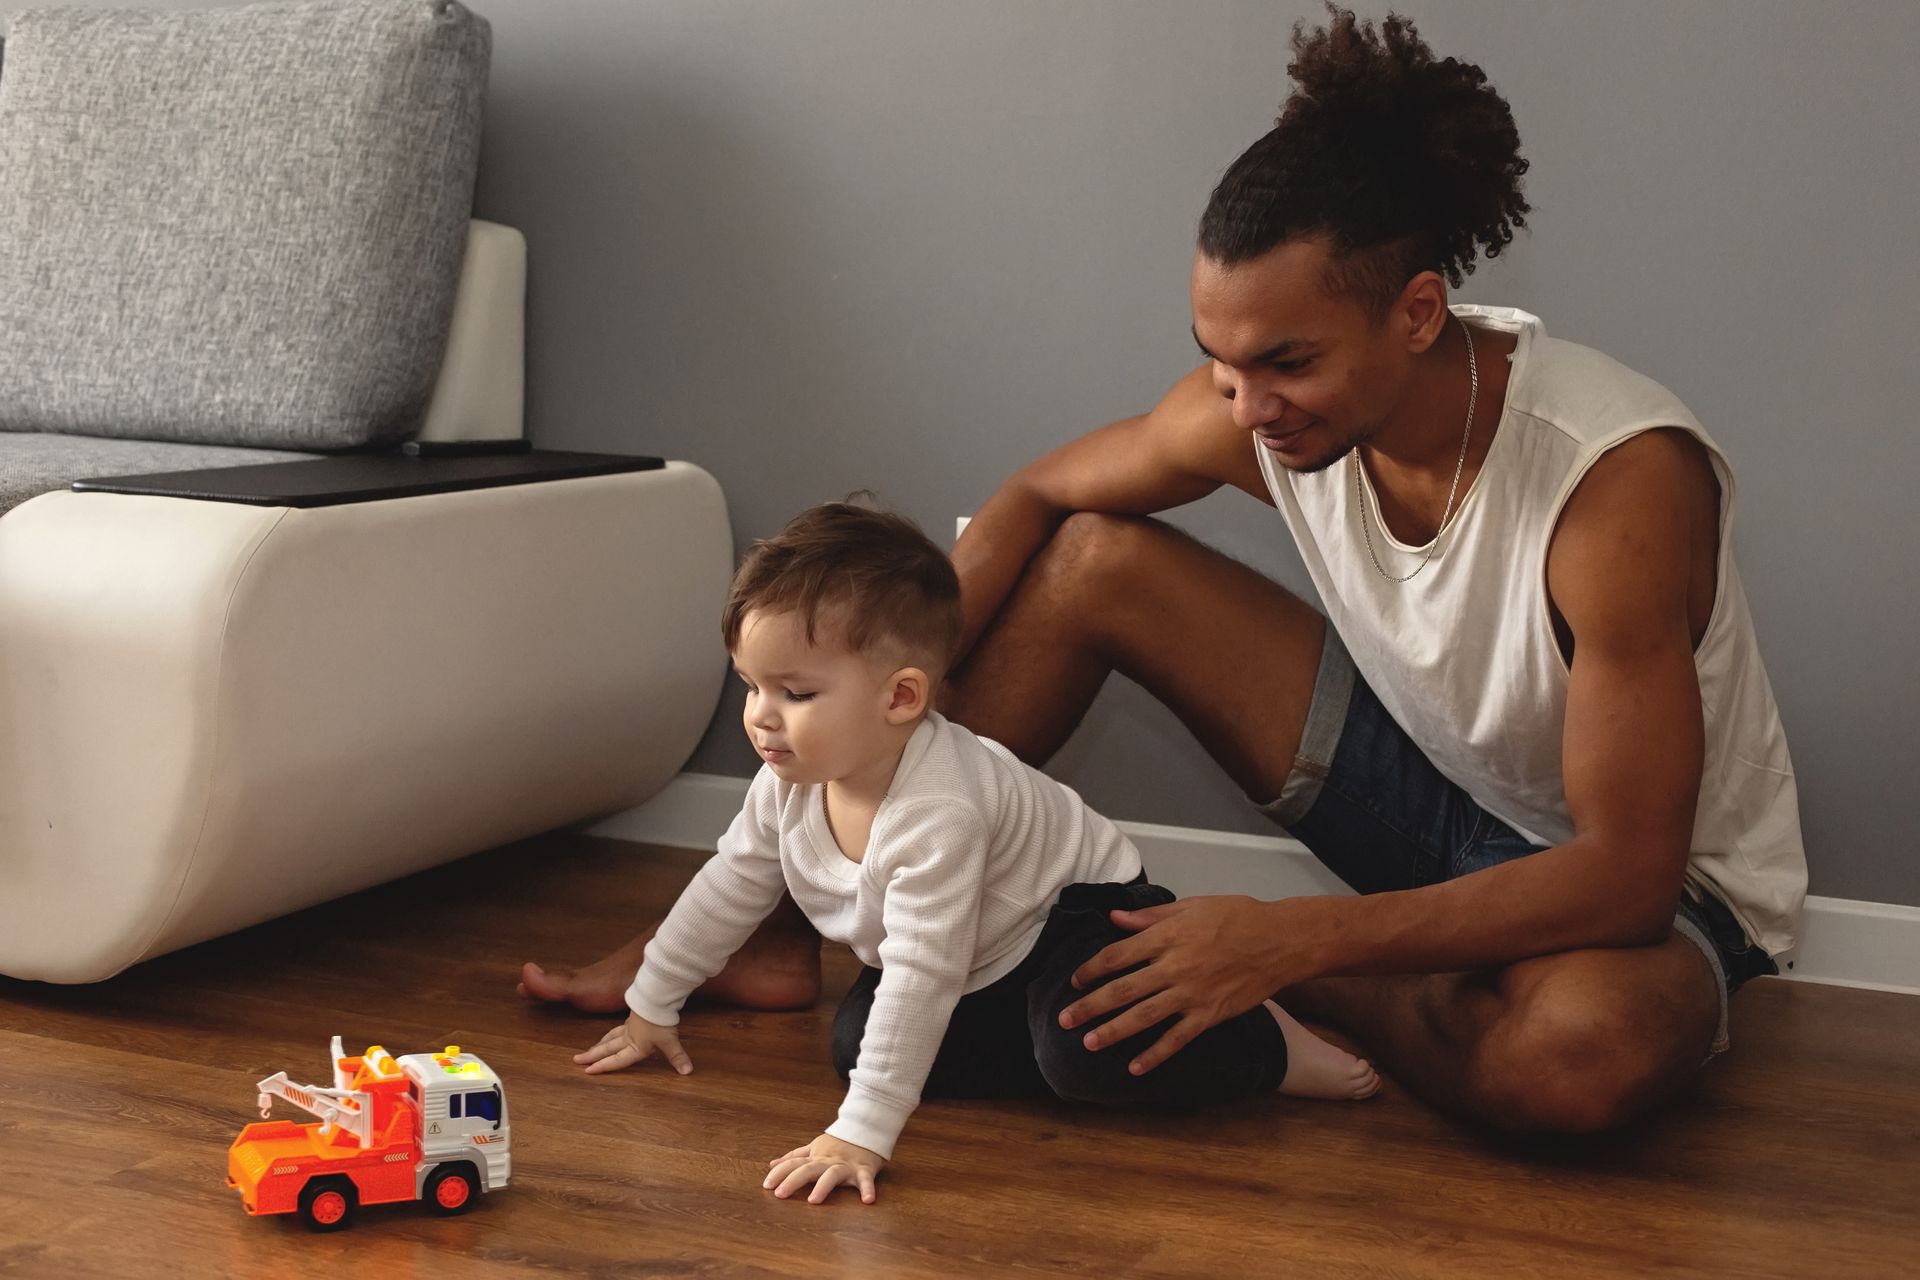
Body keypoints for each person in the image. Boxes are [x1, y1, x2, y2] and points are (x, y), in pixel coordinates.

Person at [533, 7, 1807, 1136]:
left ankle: (1257, 967)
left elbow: (1628, 872)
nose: (1246, 404)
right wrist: (887, 697)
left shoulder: (1614, 484)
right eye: (1219, 358)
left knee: (1572, 1058)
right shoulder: (1258, 409)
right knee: (1094, 558)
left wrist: (1289, 936)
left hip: (1646, 885)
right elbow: (1038, 496)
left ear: (1417, 314)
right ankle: (781, 931)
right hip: (1432, 799)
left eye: (1287, 362)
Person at [572, 503, 1378, 1205]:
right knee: (860, 1051)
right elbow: (730, 885)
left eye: (796, 693)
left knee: (1079, 1056)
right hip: (983, 948)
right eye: (751, 686)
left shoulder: (939, 807)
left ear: (901, 698)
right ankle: (1065, 1032)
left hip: (1078, 916)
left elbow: (922, 970)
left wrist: (862, 1137)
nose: (762, 718)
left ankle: (1263, 1040)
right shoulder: (790, 779)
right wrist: (654, 1002)